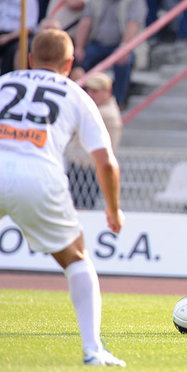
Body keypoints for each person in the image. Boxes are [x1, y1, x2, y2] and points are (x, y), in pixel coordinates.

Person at [0, 29, 125, 366]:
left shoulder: (5, 82)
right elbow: (106, 162)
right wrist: (113, 210)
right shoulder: (75, 94)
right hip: (39, 176)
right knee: (76, 257)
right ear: (69, 63)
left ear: (30, 59)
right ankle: (93, 350)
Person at [74, 0, 147, 108]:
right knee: (81, 60)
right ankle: (82, 101)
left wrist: (123, 48)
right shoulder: (94, 2)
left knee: (123, 61)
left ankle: (118, 102)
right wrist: (79, 47)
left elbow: (133, 25)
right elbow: (85, 22)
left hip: (122, 45)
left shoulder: (135, 2)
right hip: (97, 44)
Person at [66, 72, 123, 209]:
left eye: (95, 91)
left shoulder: (106, 113)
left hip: (88, 170)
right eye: (88, 90)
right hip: (83, 167)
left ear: (107, 91)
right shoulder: (98, 110)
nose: (90, 94)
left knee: (80, 210)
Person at [0, 0, 39, 74]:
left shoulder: (28, 2)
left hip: (16, 35)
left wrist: (7, 38)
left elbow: (29, 27)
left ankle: (19, 76)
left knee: (21, 46)